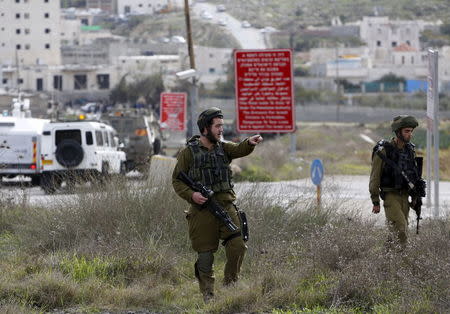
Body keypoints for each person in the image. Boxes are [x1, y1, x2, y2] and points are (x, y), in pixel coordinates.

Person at [172, 107, 263, 302]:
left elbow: (239, 149)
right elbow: (177, 181)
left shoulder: (224, 148)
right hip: (202, 210)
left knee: (238, 245)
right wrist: (192, 195)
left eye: (222, 125)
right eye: (217, 126)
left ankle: (230, 285)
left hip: (226, 206)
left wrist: (250, 143)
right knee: (205, 255)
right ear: (205, 128)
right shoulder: (189, 152)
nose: (221, 129)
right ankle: (208, 294)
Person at [369, 115, 421, 246]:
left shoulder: (410, 151)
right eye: (406, 131)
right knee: (401, 228)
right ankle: (403, 262)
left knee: (398, 233)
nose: (410, 134)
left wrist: (415, 196)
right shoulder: (383, 151)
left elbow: (413, 175)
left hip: (405, 196)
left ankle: (386, 261)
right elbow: (375, 177)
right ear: (398, 132)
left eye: (411, 131)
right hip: (390, 195)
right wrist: (375, 201)